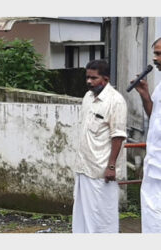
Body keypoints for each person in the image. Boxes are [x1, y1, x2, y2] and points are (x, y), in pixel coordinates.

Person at [72, 59, 127, 233]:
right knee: (82, 219)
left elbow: (118, 136)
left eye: (94, 78)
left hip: (101, 172)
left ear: (106, 78)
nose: (89, 81)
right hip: (84, 168)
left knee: (102, 219)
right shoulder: (88, 97)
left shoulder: (116, 101)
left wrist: (111, 166)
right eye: (87, 77)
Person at [133, 37, 161, 233]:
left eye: (159, 54)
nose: (155, 58)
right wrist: (144, 94)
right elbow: (154, 117)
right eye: (155, 53)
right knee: (152, 219)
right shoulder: (159, 88)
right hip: (154, 164)